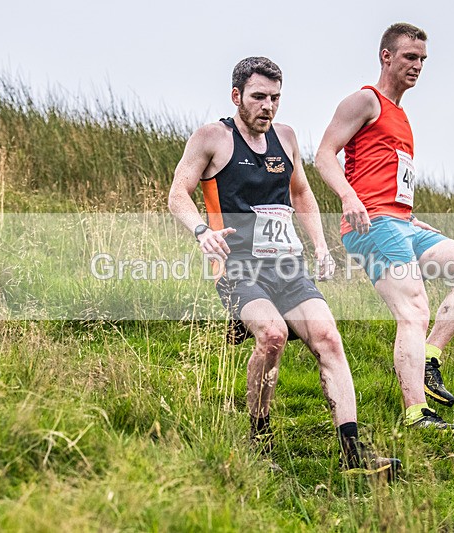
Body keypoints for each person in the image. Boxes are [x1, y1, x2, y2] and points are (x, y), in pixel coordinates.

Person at [168, 56, 400, 478]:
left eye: (275, 98)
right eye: (259, 97)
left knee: (329, 337)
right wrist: (201, 231)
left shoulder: (286, 137)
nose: (268, 106)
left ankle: (353, 453)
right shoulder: (212, 138)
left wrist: (321, 247)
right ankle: (259, 438)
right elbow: (178, 193)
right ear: (236, 95)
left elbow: (302, 194)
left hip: (288, 267)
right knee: (273, 335)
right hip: (237, 267)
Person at [315, 23, 454, 430]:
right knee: (414, 309)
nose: (418, 66)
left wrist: (409, 215)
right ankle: (417, 414)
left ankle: (429, 356)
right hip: (372, 223)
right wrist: (348, 198)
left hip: (402, 222)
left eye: (423, 60)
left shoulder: (402, 116)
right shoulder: (366, 100)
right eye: (410, 57)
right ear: (386, 57)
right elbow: (324, 154)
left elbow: (389, 175)